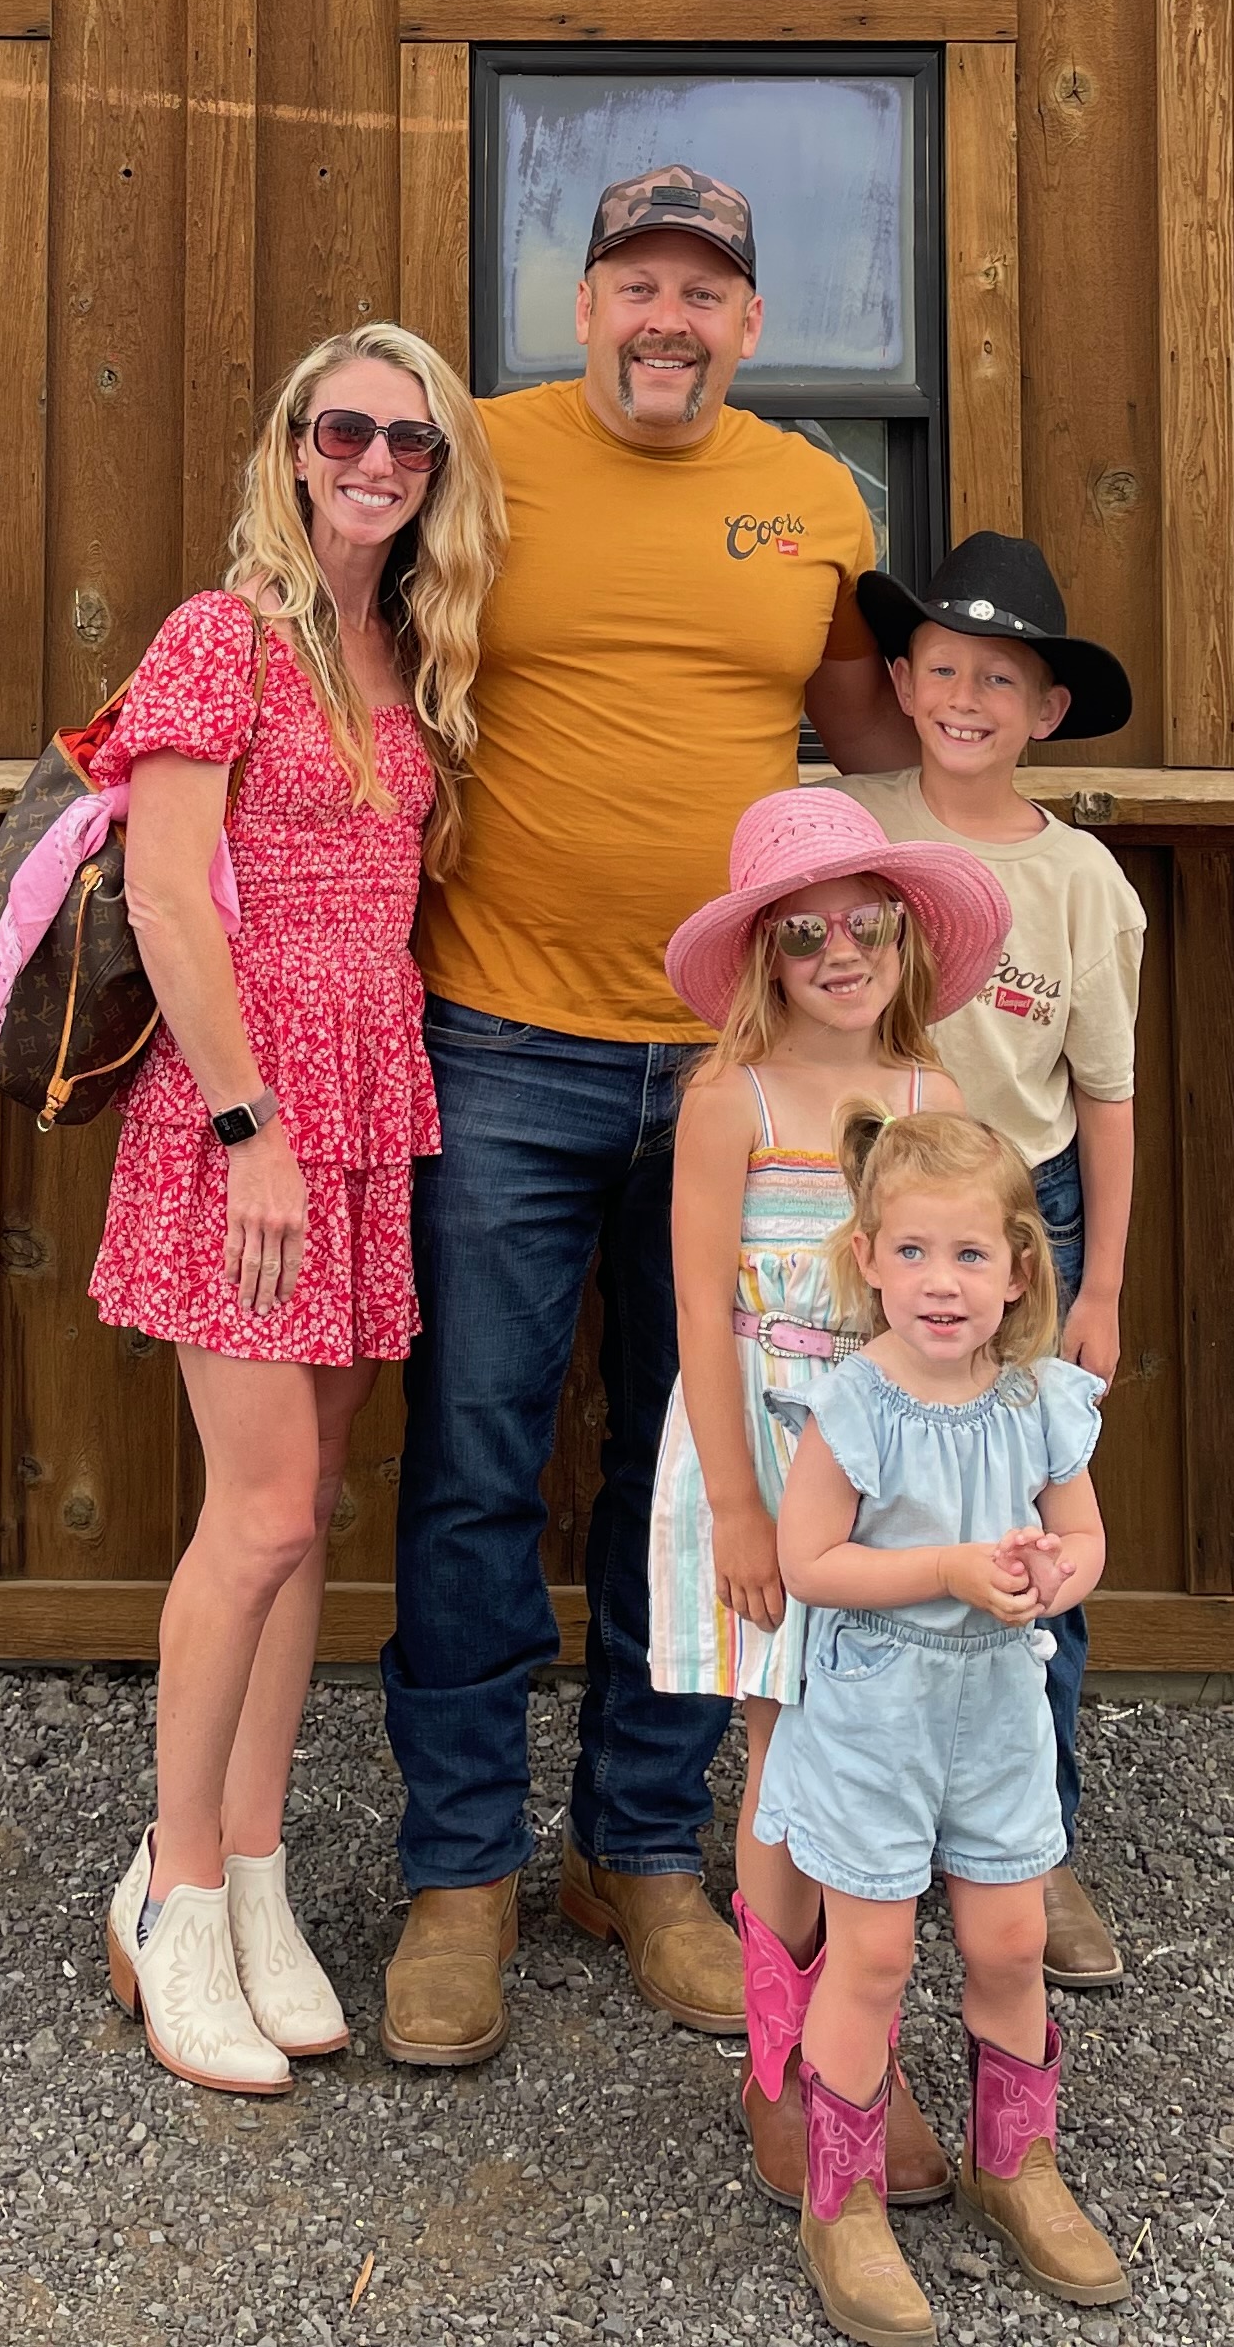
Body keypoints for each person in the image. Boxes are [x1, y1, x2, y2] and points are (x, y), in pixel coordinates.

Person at [380, 164, 915, 2072]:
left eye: (702, 290)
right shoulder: (472, 457)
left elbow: (870, 748)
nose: (665, 318)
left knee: (700, 1470)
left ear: (747, 325)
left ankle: (636, 1851)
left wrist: (1005, 883)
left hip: (733, 1070)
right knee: (472, 1457)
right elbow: (335, 644)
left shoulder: (812, 500)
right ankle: (458, 1872)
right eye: (634, 283)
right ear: (582, 301)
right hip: (496, 1037)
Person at [94, 325, 506, 2095]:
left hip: (365, 1104)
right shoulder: (220, 636)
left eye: (408, 442)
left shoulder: (404, 648)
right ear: (288, 445)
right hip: (243, 1108)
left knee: (310, 1506)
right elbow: (168, 896)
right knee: (253, 1514)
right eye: (345, 428)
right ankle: (169, 1893)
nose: (375, 459)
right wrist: (251, 1122)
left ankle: (253, 1870)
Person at [648, 792, 1010, 2215]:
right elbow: (691, 1305)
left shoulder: (932, 1098)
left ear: (905, 940)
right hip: (757, 1446)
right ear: (766, 959)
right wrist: (739, 1511)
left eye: (868, 925)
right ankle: (781, 2054)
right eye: (807, 935)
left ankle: (864, 2042)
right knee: (788, 1748)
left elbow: (956, 1304)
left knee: (885, 1744)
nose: (842, 953)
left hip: (886, 1469)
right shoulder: (723, 1105)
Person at [757, 1105, 1124, 2333]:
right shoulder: (853, 1405)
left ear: (1020, 1265)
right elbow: (809, 1563)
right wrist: (950, 1572)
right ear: (865, 1259)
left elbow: (1083, 1534)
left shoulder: (1037, 1399)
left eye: (970, 1256)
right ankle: (843, 2195)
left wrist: (1058, 1574)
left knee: (1012, 1942)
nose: (941, 1283)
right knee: (871, 1953)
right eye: (911, 1253)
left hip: (997, 1715)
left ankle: (1017, 2163)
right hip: (874, 1715)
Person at [837, 534, 1142, 1993]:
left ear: (1048, 711)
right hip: (859, 1218)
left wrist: (1098, 1285)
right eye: (944, 669)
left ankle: (1035, 1842)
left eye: (999, 681)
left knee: (1031, 1518)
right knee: (854, 1497)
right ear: (899, 682)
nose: (966, 699)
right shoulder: (843, 823)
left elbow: (1106, 1091)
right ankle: (849, 1832)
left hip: (1029, 1217)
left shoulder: (1081, 881)